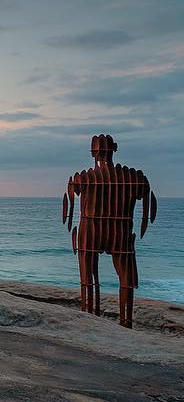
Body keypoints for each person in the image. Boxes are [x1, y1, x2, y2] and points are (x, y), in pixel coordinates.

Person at [64, 134, 157, 328]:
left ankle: (90, 316)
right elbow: (146, 201)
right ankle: (125, 321)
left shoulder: (84, 178)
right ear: (113, 150)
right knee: (125, 280)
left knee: (88, 279)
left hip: (90, 232)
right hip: (120, 234)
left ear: (93, 153)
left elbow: (70, 204)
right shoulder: (134, 178)